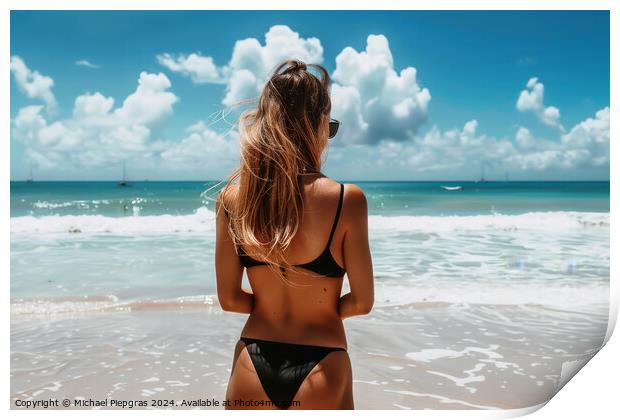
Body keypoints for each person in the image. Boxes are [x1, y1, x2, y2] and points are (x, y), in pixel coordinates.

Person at [215, 58, 374, 410]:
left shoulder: (232, 199)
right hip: (323, 361)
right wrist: (320, 311)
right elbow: (362, 302)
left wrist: (269, 307)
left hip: (252, 361)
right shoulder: (348, 199)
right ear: (315, 125)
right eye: (328, 126)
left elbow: (229, 300)